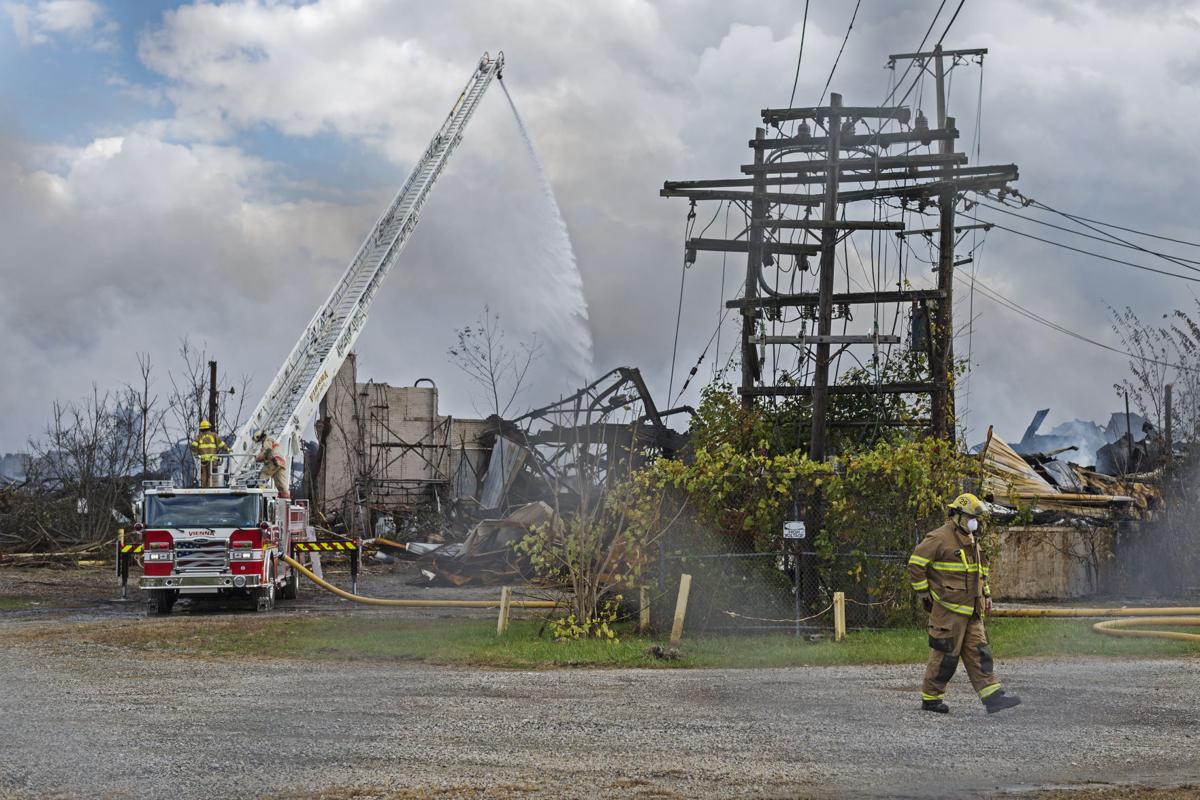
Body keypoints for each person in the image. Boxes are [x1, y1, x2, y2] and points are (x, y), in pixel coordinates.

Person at [908, 492, 1022, 715]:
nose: (974, 521)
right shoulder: (939, 538)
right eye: (970, 516)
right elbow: (916, 564)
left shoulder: (971, 539)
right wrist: (925, 594)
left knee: (980, 653)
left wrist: (986, 594)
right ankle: (931, 699)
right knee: (945, 657)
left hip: (972, 610)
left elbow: (980, 572)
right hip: (948, 611)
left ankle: (993, 698)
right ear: (957, 515)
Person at [190, 419, 228, 488]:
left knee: (204, 478)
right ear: (209, 427)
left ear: (201, 429)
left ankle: (204, 490)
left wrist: (195, 454)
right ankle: (213, 489)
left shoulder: (199, 437)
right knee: (213, 477)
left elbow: (193, 446)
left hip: (203, 461)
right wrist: (228, 449)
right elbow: (222, 444)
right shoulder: (214, 435)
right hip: (213, 461)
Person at [253, 430, 289, 497]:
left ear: (260, 437)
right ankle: (285, 498)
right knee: (280, 484)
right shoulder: (272, 440)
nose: (260, 442)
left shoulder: (267, 440)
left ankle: (260, 495)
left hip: (273, 461)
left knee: (263, 474)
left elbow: (267, 450)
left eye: (259, 440)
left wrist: (258, 458)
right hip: (280, 463)